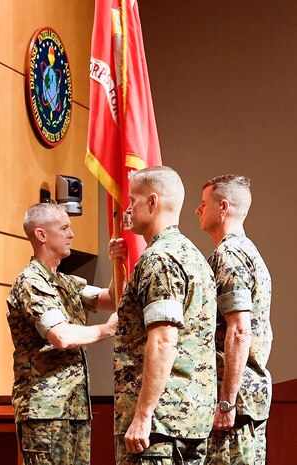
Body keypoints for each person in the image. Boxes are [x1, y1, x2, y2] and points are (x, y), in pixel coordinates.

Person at [113, 166, 217, 464]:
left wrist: (143, 416)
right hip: (188, 420)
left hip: (160, 428)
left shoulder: (160, 258)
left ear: (153, 202)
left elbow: (163, 339)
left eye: (133, 200)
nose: (129, 209)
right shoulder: (193, 255)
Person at [6, 202, 118, 465]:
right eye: (64, 228)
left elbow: (112, 299)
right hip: (46, 411)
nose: (72, 234)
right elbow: (62, 336)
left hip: (74, 409)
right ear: (41, 235)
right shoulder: (31, 281)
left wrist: (118, 261)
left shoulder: (66, 282)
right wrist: (107, 329)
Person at [196, 174, 272, 465]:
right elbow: (264, 332)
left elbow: (240, 330)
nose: (198, 210)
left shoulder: (230, 255)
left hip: (233, 403)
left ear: (223, 207)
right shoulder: (250, 252)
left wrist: (227, 401)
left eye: (204, 203)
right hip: (245, 396)